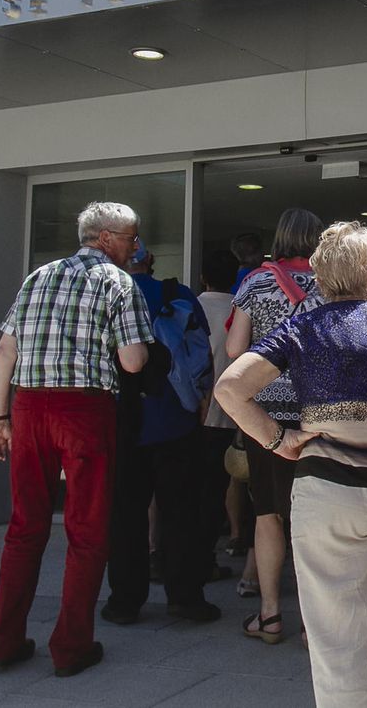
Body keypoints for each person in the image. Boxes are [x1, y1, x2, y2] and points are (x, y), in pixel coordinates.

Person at [217, 221, 367, 708]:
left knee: (335, 632)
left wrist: (280, 439)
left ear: (318, 276)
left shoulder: (301, 328)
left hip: (328, 488)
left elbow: (230, 386)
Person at [0, 201, 152, 678]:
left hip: (29, 405)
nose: (134, 248)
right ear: (106, 238)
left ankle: (4, 640)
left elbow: (4, 352)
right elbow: (135, 361)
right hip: (84, 409)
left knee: (24, 526)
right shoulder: (119, 283)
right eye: (131, 238)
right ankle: (71, 647)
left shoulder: (38, 277)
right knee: (87, 530)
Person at [100, 244, 220, 626]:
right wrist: (202, 398)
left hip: (121, 420)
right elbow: (203, 354)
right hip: (175, 418)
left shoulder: (105, 296)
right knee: (181, 511)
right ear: (151, 262)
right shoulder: (178, 295)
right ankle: (185, 597)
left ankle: (124, 600)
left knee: (125, 515)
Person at [225, 207, 325, 644]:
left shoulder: (256, 283)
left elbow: (233, 348)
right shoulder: (330, 284)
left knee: (268, 513)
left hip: (265, 415)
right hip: (317, 414)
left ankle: (269, 616)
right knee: (314, 517)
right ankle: (311, 622)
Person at [194, 250, 243, 587]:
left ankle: (200, 556)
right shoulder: (241, 308)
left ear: (203, 277)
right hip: (236, 413)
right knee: (234, 484)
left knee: (200, 490)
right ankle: (239, 537)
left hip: (199, 410)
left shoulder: (192, 306)